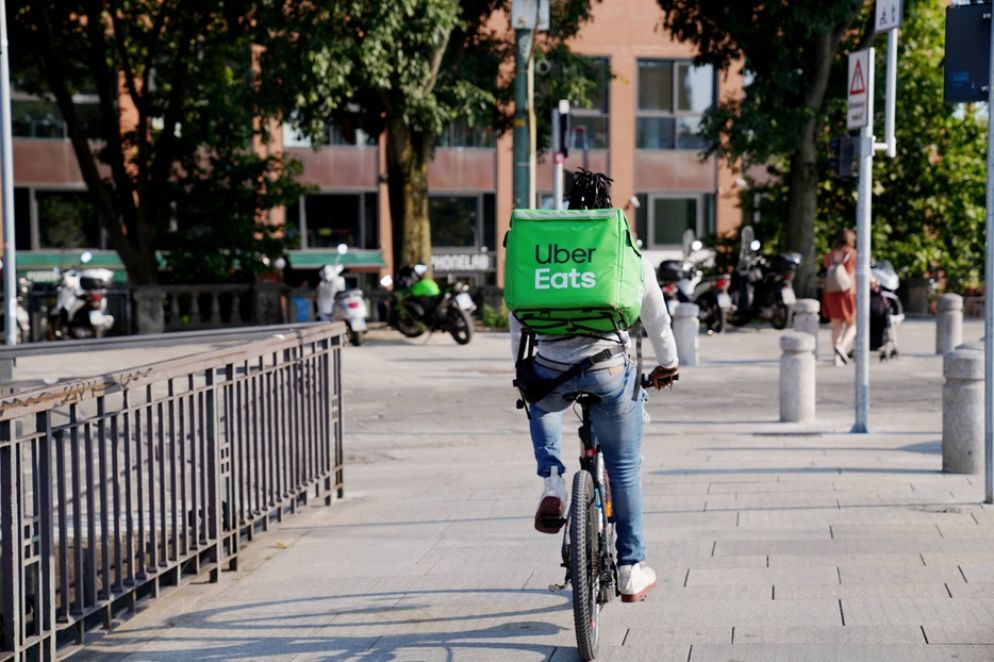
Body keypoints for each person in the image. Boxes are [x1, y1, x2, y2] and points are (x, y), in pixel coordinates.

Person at [509, 169, 679, 602]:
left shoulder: (543, 249)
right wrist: (669, 364)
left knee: (541, 401)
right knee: (623, 469)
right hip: (608, 369)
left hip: (549, 366)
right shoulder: (623, 249)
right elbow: (656, 317)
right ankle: (630, 567)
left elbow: (519, 316)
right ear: (609, 206)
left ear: (568, 205)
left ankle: (552, 481)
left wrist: (522, 370)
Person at [823, 228, 857, 366]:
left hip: (831, 293)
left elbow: (827, 267)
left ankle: (837, 357)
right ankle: (842, 347)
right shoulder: (852, 254)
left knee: (836, 326)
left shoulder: (830, 255)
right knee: (852, 324)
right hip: (847, 292)